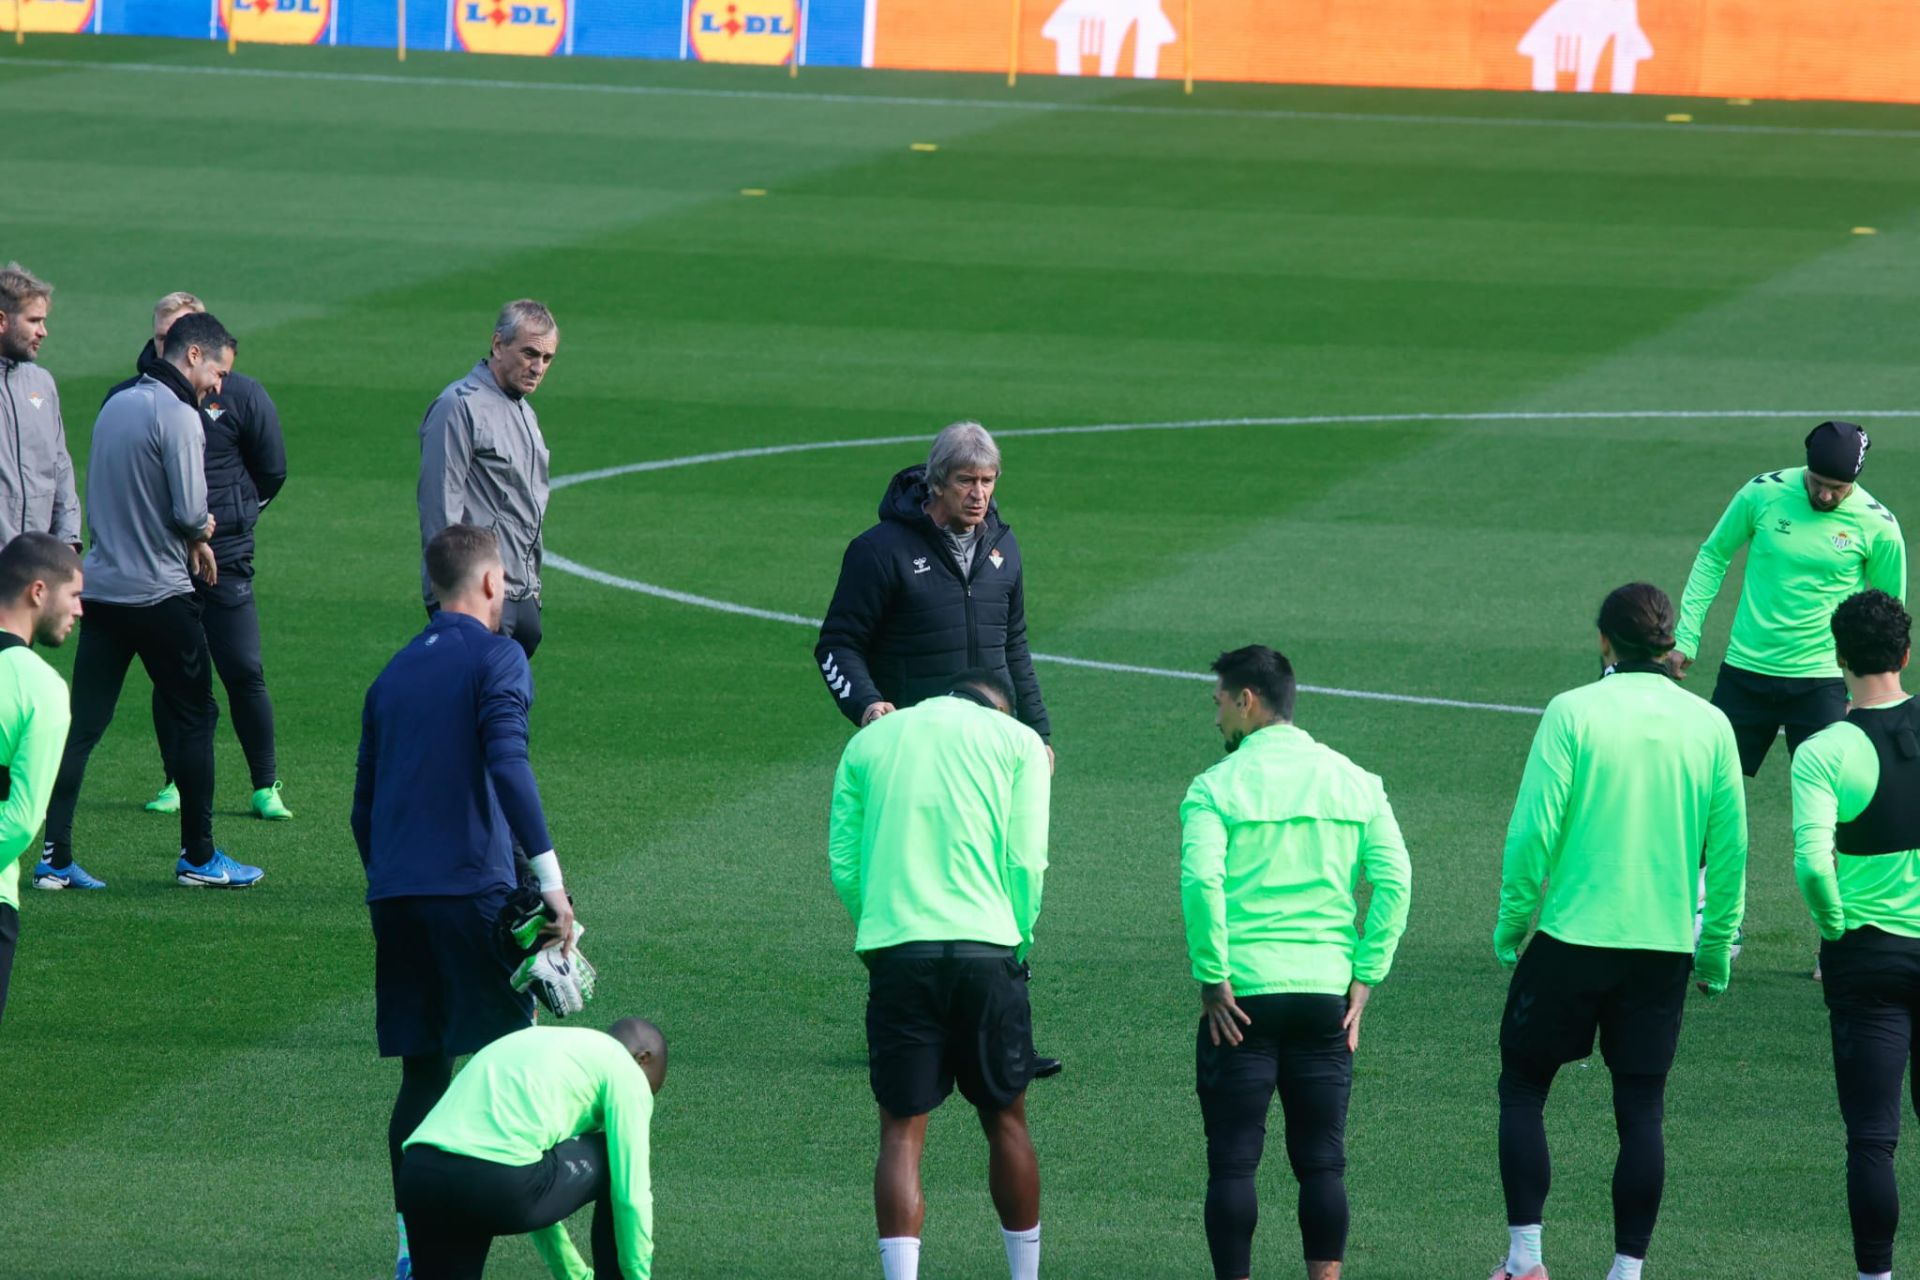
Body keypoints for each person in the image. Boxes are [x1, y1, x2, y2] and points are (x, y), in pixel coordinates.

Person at [1489, 584, 1748, 1280]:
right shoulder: (1710, 726)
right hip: (1661, 952)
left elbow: (1531, 834)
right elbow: (1729, 857)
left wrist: (1514, 924)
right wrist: (1715, 952)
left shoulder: (1572, 711)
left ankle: (1525, 1262)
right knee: (1641, 1112)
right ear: (1669, 646)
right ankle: (1627, 1272)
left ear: (1605, 643)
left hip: (1571, 940)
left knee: (1523, 1087)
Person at [355, 523, 577, 1280]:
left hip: (396, 897)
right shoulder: (499, 655)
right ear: (488, 584)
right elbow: (508, 762)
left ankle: (413, 1247)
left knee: (422, 1075)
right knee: (503, 1063)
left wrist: (390, 881)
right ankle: (504, 1240)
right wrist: (550, 885)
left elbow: (364, 809)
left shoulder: (389, 676)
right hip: (471, 896)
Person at [1180, 644, 1411, 1280]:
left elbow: (1203, 883)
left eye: (1220, 703)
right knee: (1321, 1163)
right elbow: (1396, 880)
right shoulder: (1356, 781)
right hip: (1325, 998)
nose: (1217, 718)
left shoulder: (1214, 787)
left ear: (1246, 700)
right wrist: (1366, 978)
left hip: (1242, 999)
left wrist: (1212, 975)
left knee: (1232, 1162)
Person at [828, 667, 1049, 1280]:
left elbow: (845, 860)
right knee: (1006, 1116)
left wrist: (879, 929)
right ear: (999, 710)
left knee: (901, 1131)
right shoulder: (1018, 743)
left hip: (899, 950)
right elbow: (1026, 858)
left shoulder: (871, 741)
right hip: (988, 949)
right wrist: (1018, 939)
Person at [37, 312, 261, 892]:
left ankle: (53, 857)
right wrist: (203, 535)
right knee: (195, 717)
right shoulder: (180, 416)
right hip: (161, 594)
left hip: (104, 591)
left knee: (82, 726)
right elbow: (190, 512)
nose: (219, 386)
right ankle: (199, 856)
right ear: (192, 356)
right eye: (218, 371)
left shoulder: (116, 405)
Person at [106, 293, 291, 823]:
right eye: (165, 334)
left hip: (226, 556)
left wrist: (234, 518)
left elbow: (272, 470)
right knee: (175, 676)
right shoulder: (130, 398)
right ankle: (175, 780)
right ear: (159, 339)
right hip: (160, 561)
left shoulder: (242, 396)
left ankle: (264, 783)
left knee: (243, 668)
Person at [1790, 589, 1920, 1280]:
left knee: (1872, 1138)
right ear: (1905, 654)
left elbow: (1813, 862)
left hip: (1868, 957)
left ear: (1838, 659)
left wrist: (1835, 926)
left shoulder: (1825, 750)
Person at [1673, 421, 1906, 778]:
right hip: (1745, 671)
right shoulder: (1762, 493)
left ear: (1854, 481)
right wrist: (1687, 635)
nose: (1825, 495)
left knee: (1832, 798)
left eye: (1837, 488)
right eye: (1817, 482)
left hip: (1823, 682)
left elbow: (1888, 616)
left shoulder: (1879, 526)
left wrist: (1867, 691)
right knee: (1707, 788)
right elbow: (1713, 556)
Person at [816, 421, 1053, 768]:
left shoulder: (1003, 547)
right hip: (913, 748)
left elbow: (1013, 646)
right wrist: (867, 704)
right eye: (966, 480)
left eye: (987, 481)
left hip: (992, 743)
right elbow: (837, 644)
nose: (979, 494)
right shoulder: (879, 551)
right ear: (938, 482)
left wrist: (1038, 733)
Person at [396, 1019, 666, 1280]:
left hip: (419, 1178)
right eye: (653, 1088)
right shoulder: (623, 1067)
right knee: (612, 1157)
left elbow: (529, 1167)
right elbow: (630, 1194)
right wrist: (638, 1275)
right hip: (493, 1184)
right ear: (643, 1058)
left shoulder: (542, 1047)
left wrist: (573, 1275)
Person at [417, 301, 557, 660]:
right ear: (498, 345)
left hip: (520, 593)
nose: (538, 367)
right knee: (477, 710)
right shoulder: (458, 406)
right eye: (529, 353)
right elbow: (439, 508)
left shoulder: (524, 410)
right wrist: (449, 597)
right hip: (475, 600)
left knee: (506, 708)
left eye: (547, 358)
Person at [0, 534, 82, 1024]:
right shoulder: (41, 688)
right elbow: (23, 819)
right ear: (38, 592)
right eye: (73, 595)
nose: (80, 611)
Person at [0, 262, 81, 550]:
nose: (43, 331)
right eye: (34, 321)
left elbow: (60, 465)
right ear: (2, 321)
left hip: (36, 561)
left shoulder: (42, 384)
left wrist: (69, 540)